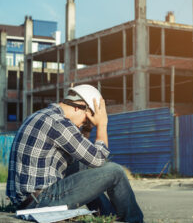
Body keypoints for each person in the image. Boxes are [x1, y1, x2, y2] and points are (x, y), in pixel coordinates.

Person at [6, 84, 144, 223]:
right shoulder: (59, 123)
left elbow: (82, 153)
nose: (81, 126)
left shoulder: (42, 115)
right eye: (85, 120)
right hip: (40, 202)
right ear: (78, 107)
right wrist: (102, 125)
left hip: (26, 200)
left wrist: (87, 129)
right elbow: (98, 159)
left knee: (79, 166)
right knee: (115, 171)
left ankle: (110, 216)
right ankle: (134, 220)